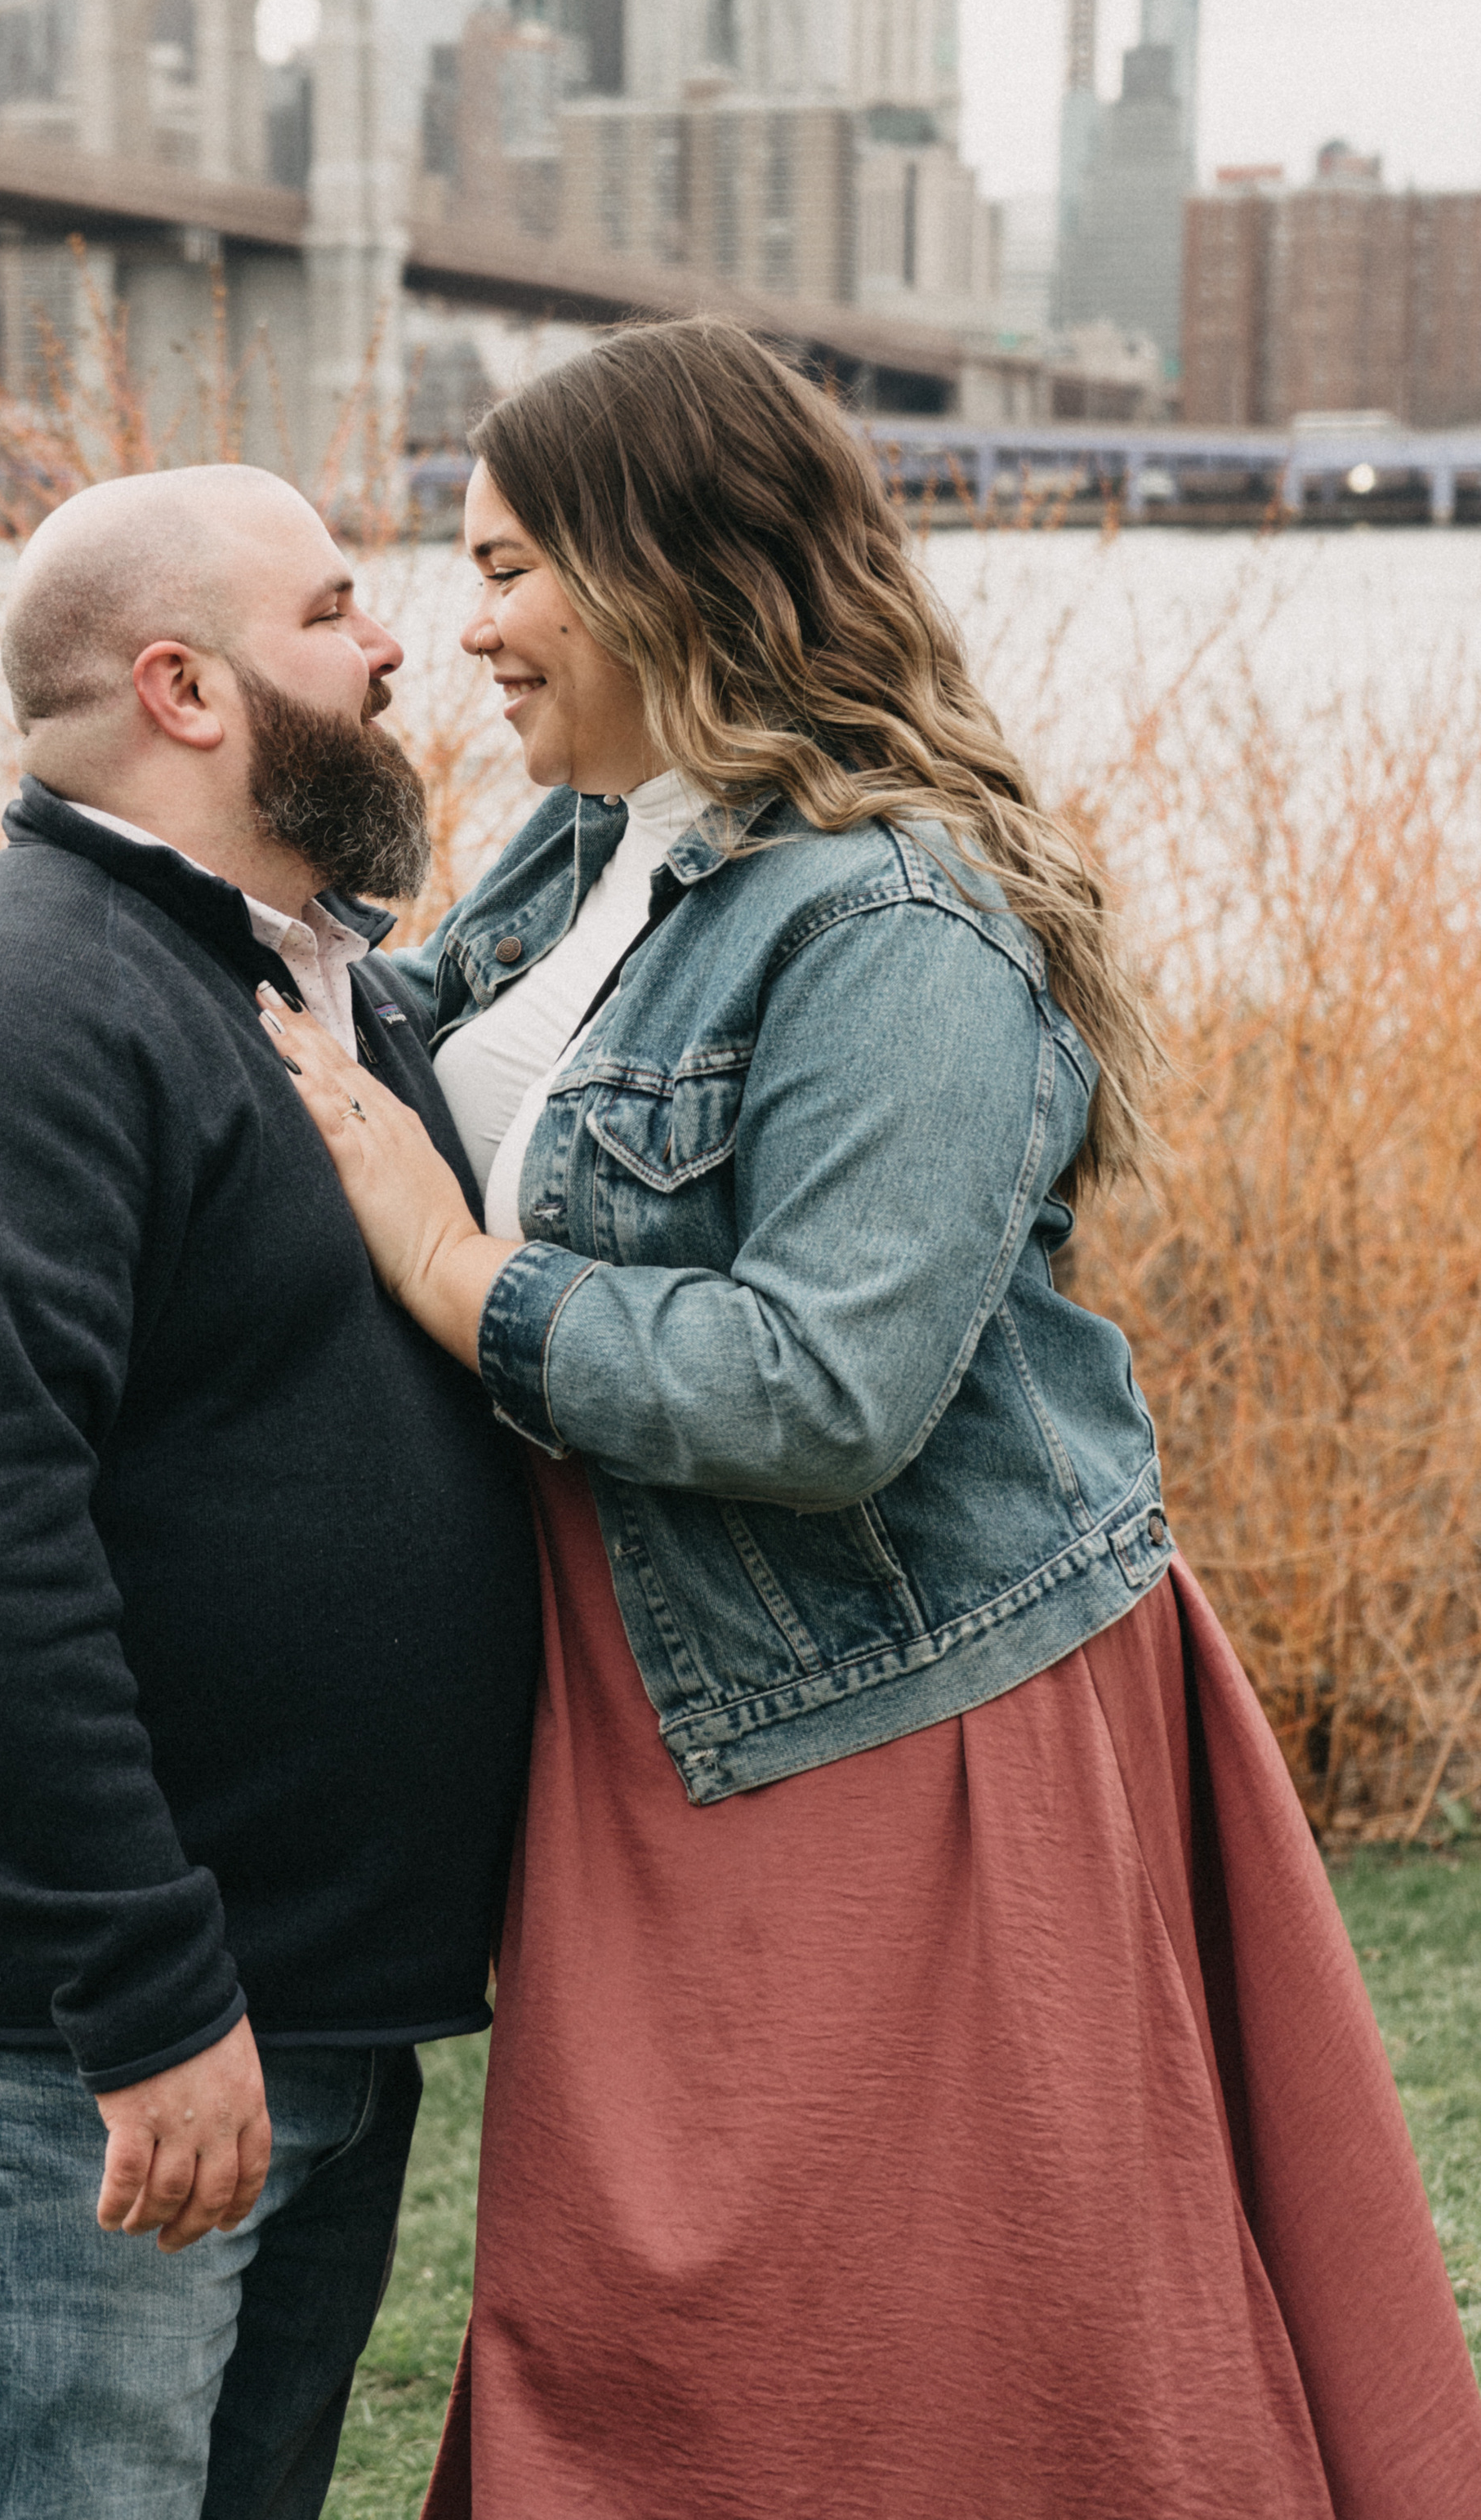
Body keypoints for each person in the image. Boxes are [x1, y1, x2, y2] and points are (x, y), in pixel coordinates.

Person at [255, 321, 1481, 2520]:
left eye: (514, 563)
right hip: (651, 1696)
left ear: (666, 566)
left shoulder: (903, 919)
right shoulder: (585, 850)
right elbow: (376, 1053)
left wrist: (458, 1282)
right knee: (650, 2309)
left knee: (910, 2342)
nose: (473, 625)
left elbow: (829, 1387)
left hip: (899, 1713)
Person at [0, 462, 539, 2520]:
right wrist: (147, 1996)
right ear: (183, 688)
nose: (396, 647)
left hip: (305, 2009)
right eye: (334, 610)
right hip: (70, 2041)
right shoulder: (3, 1017)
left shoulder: (295, 983)